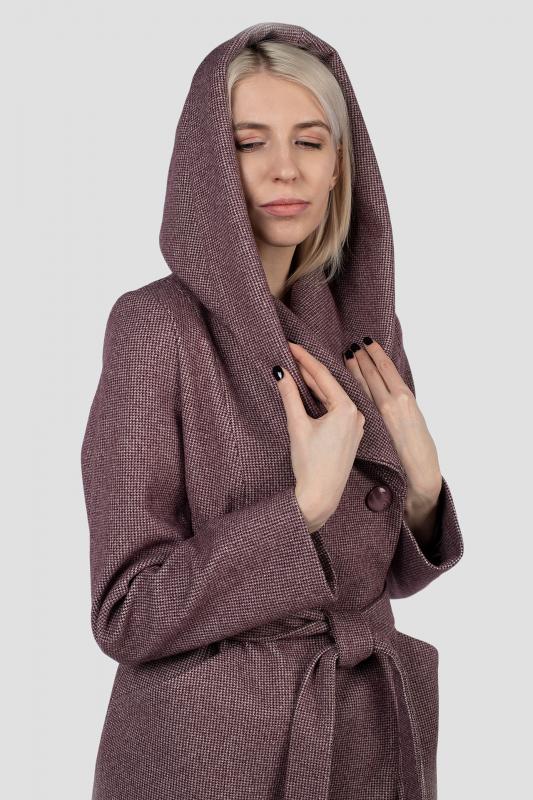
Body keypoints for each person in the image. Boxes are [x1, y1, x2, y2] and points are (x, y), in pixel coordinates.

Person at [81, 21, 465, 800]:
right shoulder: (155, 327)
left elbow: (363, 577)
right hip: (213, 752)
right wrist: (302, 509)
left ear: (339, 166)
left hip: (361, 734)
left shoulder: (366, 329)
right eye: (249, 143)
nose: (284, 167)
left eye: (309, 141)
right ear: (208, 167)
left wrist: (423, 497)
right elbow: (126, 612)